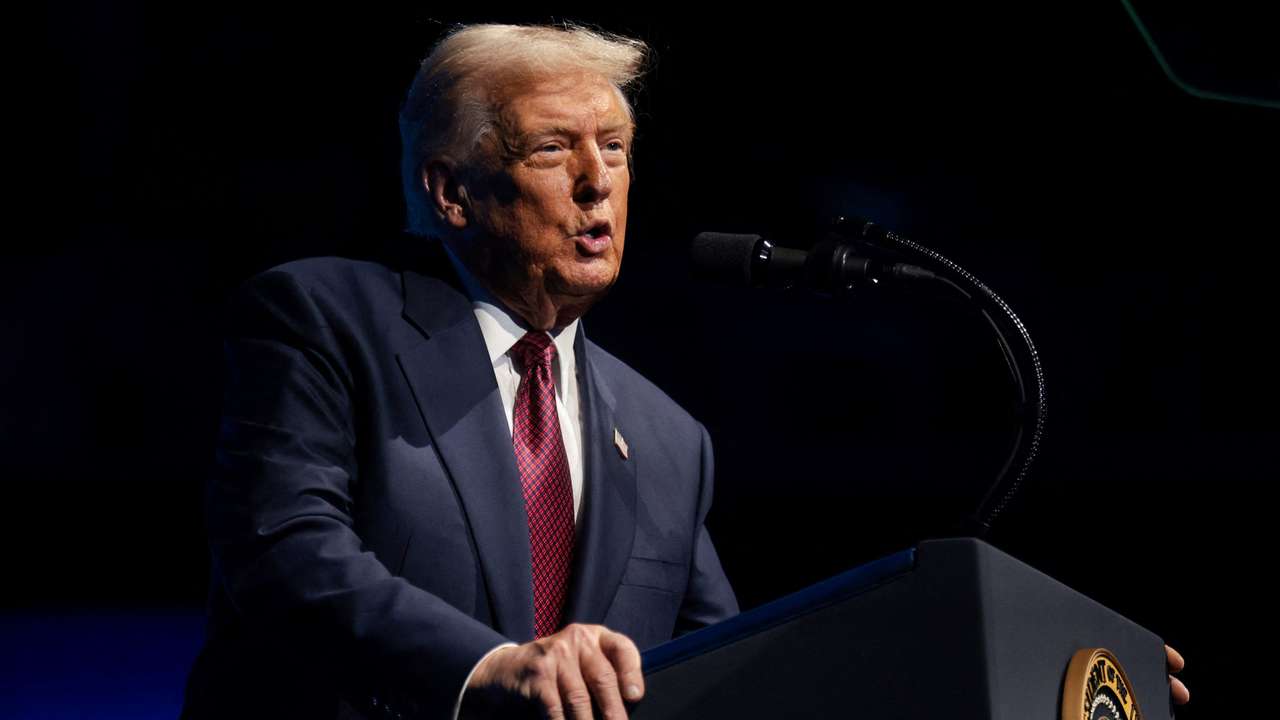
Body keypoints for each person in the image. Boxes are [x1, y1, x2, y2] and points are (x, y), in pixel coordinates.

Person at [181, 23, 738, 720]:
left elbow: (722, 669)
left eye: (616, 148)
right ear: (451, 191)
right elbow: (284, 549)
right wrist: (487, 666)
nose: (597, 181)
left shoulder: (668, 438)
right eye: (553, 148)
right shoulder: (323, 322)